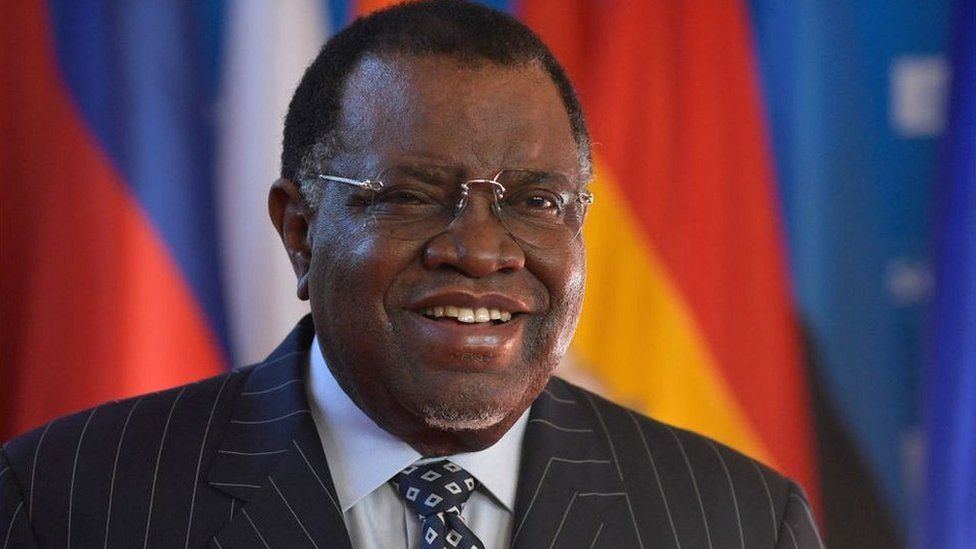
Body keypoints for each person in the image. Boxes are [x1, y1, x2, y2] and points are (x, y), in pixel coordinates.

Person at [0, 1, 823, 547]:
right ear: (300, 230)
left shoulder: (741, 521)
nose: (481, 250)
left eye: (537, 200)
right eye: (410, 195)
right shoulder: (68, 500)